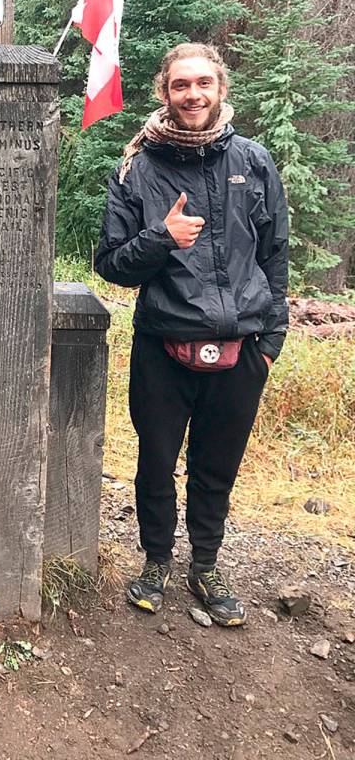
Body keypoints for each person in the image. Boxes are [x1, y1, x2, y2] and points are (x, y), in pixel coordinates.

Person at [95, 43, 289, 627]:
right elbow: (110, 262)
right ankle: (156, 561)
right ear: (165, 93)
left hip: (242, 347)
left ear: (220, 89)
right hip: (162, 345)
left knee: (215, 465)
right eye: (181, 85)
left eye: (203, 83)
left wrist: (270, 342)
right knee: (155, 461)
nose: (193, 95)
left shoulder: (254, 163)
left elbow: (276, 254)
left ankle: (206, 566)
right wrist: (163, 238)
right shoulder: (137, 169)